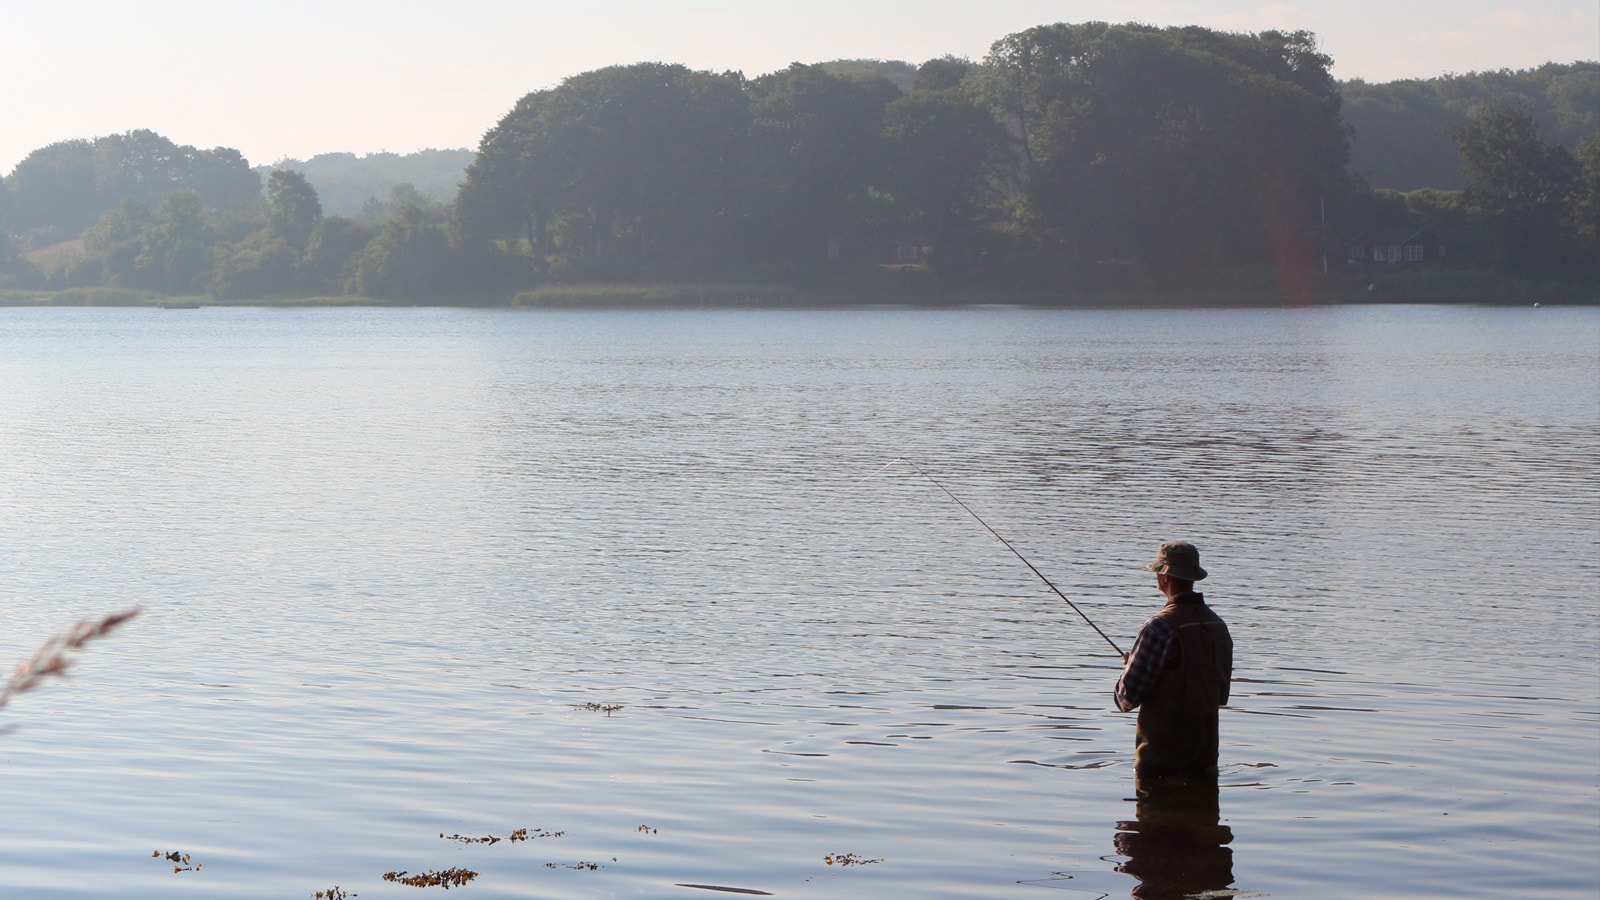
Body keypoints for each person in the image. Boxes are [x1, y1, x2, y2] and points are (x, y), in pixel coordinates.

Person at [1114, 541, 1233, 779]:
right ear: (1193, 577)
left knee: (1152, 817)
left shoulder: (1159, 626)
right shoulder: (1218, 626)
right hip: (1205, 762)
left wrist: (1129, 668)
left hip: (1160, 765)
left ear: (1164, 577)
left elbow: (1126, 699)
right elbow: (1220, 695)